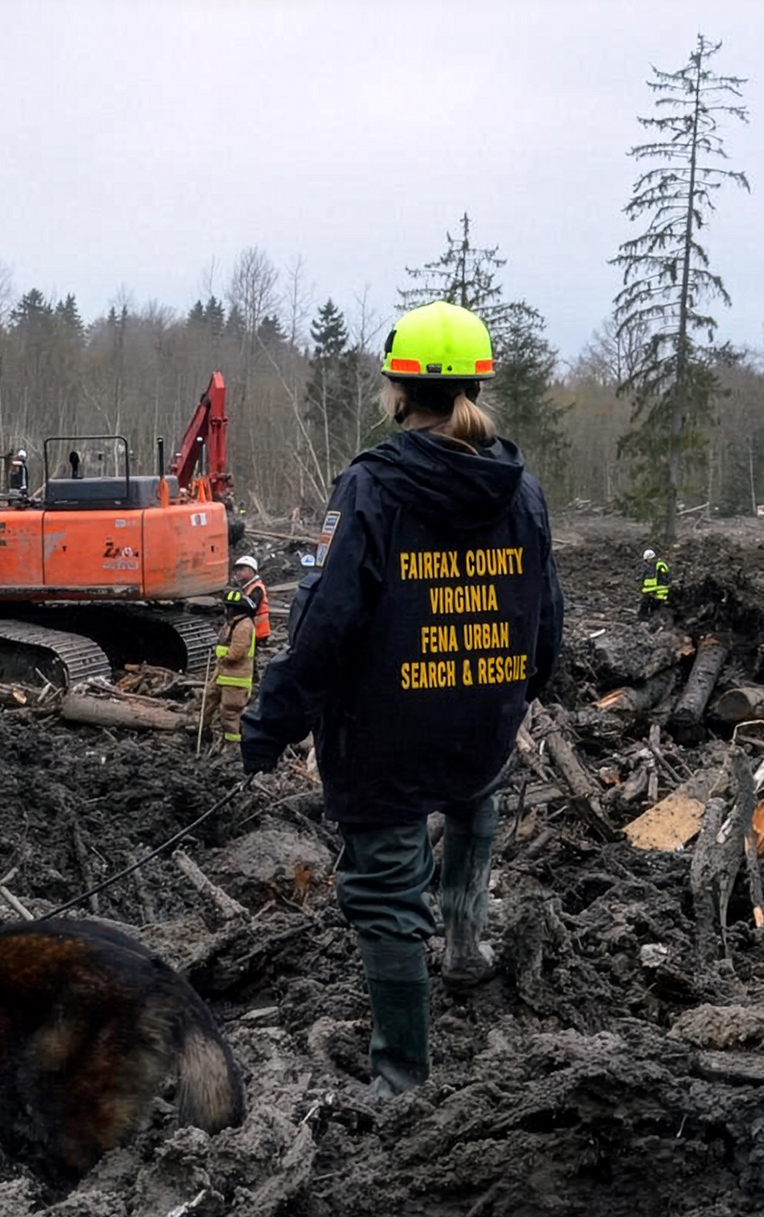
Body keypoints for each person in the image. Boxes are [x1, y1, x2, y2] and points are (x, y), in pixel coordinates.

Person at [240, 301, 562, 1099]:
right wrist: (518, 693)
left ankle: (400, 1076)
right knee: (471, 803)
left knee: (385, 889)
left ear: (397, 389)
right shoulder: (522, 493)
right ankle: (464, 947)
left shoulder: (371, 488)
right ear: (476, 385)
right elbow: (545, 618)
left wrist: (270, 722)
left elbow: (322, 625)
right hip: (482, 716)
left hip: (383, 733)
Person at [203, 587, 258, 745]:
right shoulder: (232, 624)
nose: (226, 610)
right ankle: (203, 732)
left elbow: (236, 653)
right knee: (209, 701)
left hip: (235, 678)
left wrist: (223, 657)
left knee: (230, 713)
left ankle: (232, 744)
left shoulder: (244, 626)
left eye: (228, 607)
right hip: (222, 674)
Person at [232, 554, 271, 643]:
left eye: (241, 569)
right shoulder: (247, 587)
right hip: (253, 631)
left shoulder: (257, 588)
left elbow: (251, 607)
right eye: (237, 570)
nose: (238, 573)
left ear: (251, 570)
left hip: (258, 632)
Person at [639, 548, 669, 620]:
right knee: (647, 604)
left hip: (659, 590)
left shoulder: (660, 565)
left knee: (656, 605)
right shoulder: (650, 566)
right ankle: (647, 618)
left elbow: (664, 577)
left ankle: (653, 618)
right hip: (650, 589)